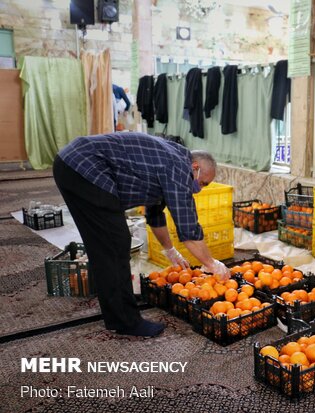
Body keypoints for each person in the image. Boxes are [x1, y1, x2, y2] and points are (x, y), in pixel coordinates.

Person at [53, 132, 230, 337]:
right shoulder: (179, 168)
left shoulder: (171, 162)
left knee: (104, 243)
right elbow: (189, 229)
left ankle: (119, 302)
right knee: (114, 243)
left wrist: (170, 251)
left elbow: (154, 214)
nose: (199, 190)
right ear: (195, 168)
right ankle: (126, 321)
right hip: (86, 167)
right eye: (203, 183)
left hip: (72, 164)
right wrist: (211, 263)